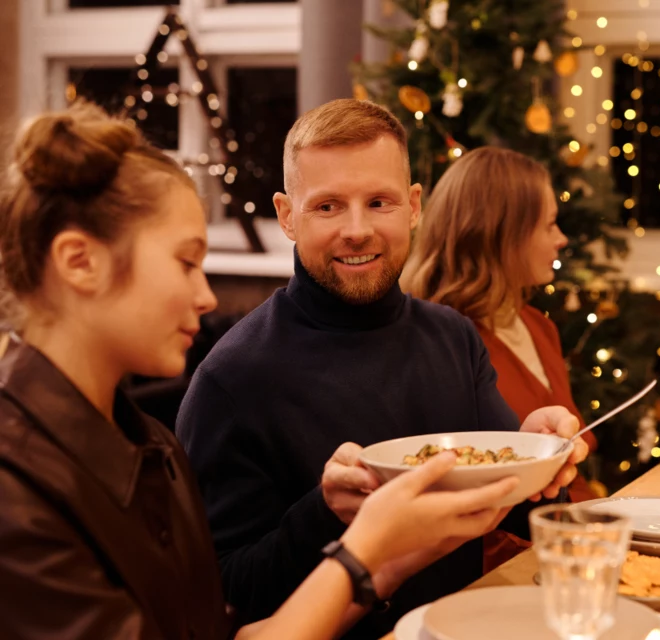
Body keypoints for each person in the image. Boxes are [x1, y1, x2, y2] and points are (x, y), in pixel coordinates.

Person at [0, 102, 521, 639]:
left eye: (379, 201)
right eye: (186, 263)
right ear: (79, 262)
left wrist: (385, 558)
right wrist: (359, 550)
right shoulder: (18, 486)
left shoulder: (145, 444)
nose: (206, 298)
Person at [175, 99, 588, 637]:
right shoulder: (231, 380)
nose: (357, 229)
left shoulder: (453, 337)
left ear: (414, 206)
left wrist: (540, 460)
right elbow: (223, 596)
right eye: (327, 207)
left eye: (379, 202)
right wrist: (326, 514)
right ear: (286, 216)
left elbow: (506, 509)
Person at [401, 147, 598, 569]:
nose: (561, 238)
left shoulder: (538, 325)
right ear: (501, 235)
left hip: (575, 537)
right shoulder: (438, 344)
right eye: (548, 225)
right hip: (513, 566)